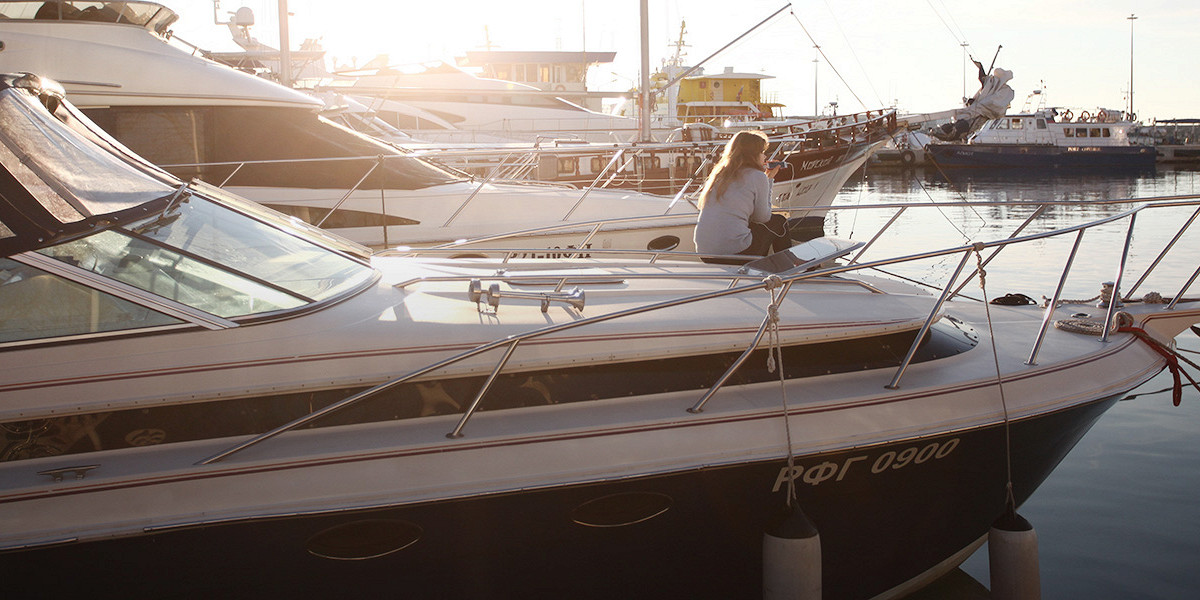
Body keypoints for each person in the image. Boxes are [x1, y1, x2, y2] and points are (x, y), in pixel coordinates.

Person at [694, 130, 789, 263]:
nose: (764, 156)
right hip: (737, 253)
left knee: (754, 227)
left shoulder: (720, 174)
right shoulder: (757, 176)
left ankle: (768, 265)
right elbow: (763, 217)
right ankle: (788, 265)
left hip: (705, 254)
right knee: (779, 221)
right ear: (753, 155)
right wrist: (769, 180)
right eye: (762, 152)